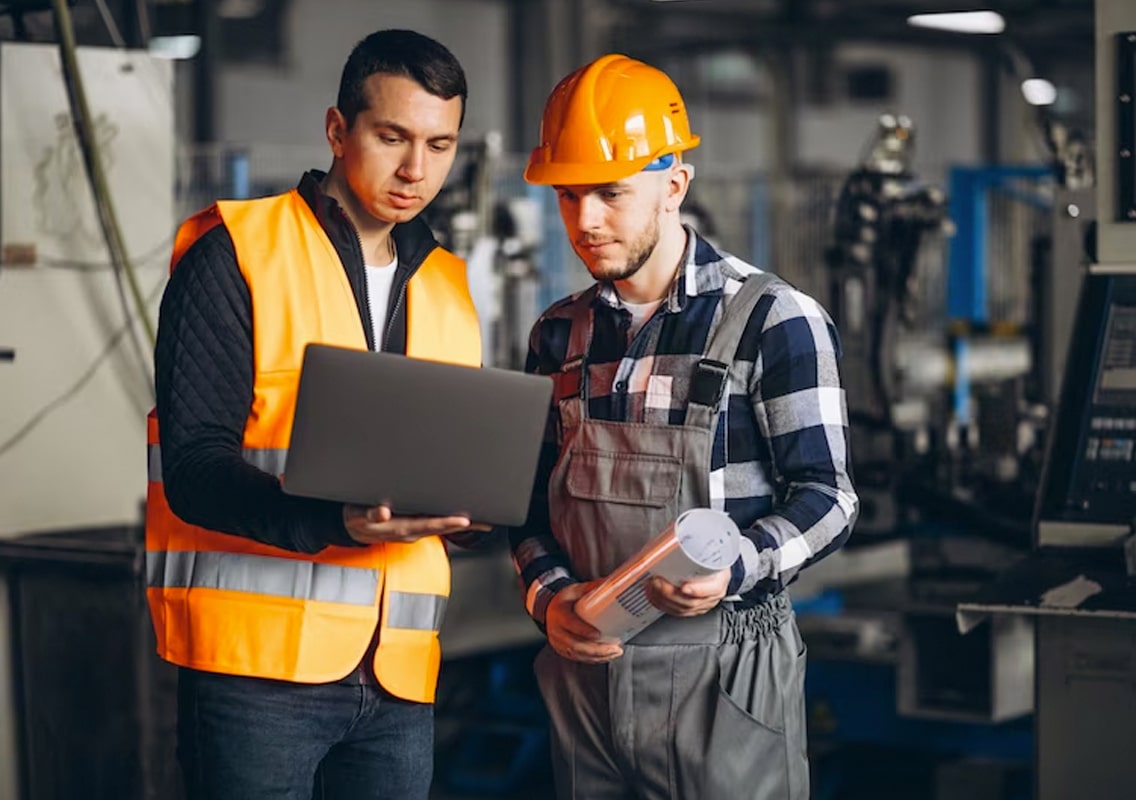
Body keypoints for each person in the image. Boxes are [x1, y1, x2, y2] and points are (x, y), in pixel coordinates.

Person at [147, 29, 486, 800]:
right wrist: (334, 521)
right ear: (338, 130)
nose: (415, 169)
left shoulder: (447, 284)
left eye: (440, 144)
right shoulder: (236, 254)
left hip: (398, 672)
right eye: (392, 136)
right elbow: (194, 467)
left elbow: (437, 460)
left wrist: (476, 508)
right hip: (255, 675)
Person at [510, 54, 859, 800]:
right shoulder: (557, 335)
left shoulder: (771, 320)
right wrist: (550, 598)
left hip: (724, 681)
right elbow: (529, 508)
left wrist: (739, 565)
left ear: (674, 186)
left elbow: (829, 496)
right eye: (569, 196)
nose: (586, 221)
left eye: (610, 193)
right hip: (587, 683)